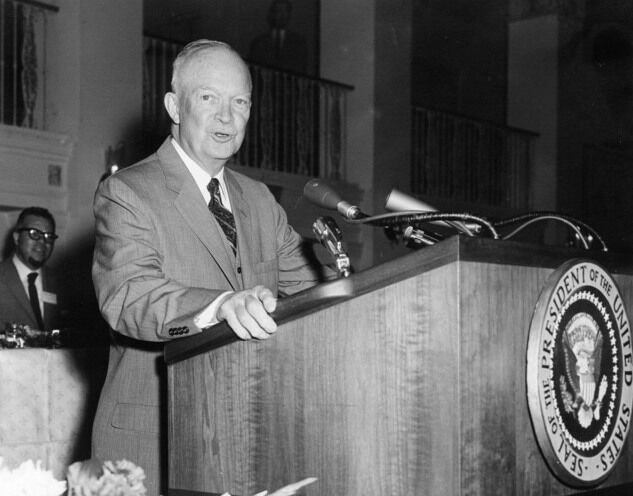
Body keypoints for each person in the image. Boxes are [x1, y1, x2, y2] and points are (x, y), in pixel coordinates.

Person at [91, 40, 323, 496]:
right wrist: (219, 306)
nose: (226, 116)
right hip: (155, 442)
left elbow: (311, 288)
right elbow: (129, 296)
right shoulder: (127, 192)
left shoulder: (259, 200)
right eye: (209, 98)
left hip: (247, 437)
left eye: (239, 102)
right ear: (174, 106)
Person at [0, 206, 60, 333]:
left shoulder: (61, 282)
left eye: (48, 236)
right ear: (17, 237)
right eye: (34, 234)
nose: (42, 242)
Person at [249, 0, 309, 74]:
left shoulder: (299, 42)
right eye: (278, 10)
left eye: (285, 11)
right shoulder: (259, 42)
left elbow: (301, 68)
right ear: (272, 14)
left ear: (289, 15)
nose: (282, 15)